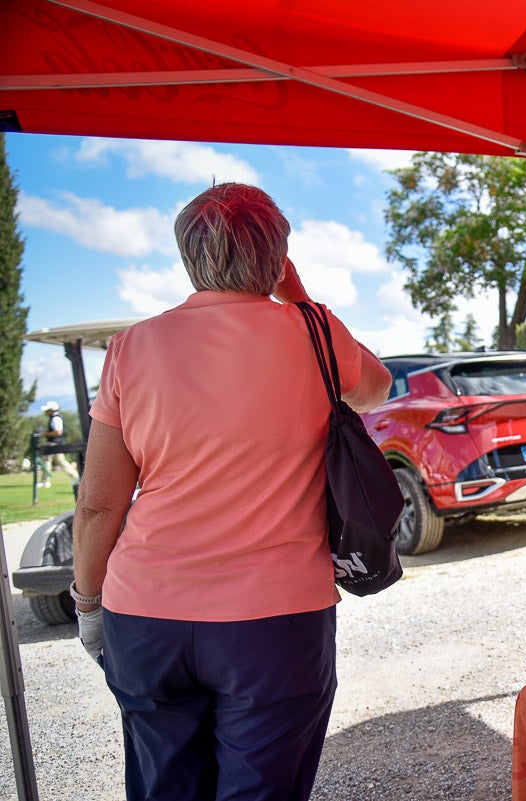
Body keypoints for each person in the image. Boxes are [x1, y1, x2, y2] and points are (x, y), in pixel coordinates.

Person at [71, 183, 391, 800]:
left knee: (163, 787)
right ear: (279, 257)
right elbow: (375, 390)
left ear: (188, 256)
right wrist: (300, 299)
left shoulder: (132, 347)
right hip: (276, 619)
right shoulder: (313, 333)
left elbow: (99, 503)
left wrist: (89, 605)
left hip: (147, 615)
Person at [39, 400, 79, 483]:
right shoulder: (55, 418)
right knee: (58, 461)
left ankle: (45, 481)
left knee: (48, 460)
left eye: (47, 410)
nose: (46, 412)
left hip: (54, 443)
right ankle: (75, 475)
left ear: (51, 410)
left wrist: (45, 433)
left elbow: (58, 432)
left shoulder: (56, 418)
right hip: (56, 442)